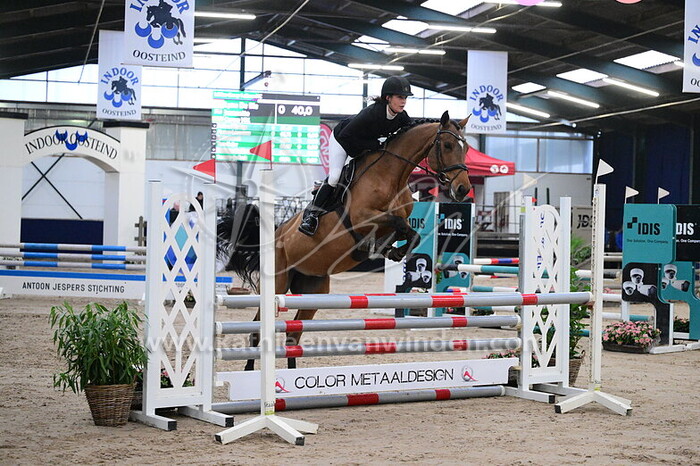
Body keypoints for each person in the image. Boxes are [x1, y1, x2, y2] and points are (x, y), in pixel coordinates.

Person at [298, 76, 413, 236]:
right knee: (335, 176)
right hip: (342, 141)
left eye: (405, 98)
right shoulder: (371, 113)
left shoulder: (401, 116)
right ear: (388, 97)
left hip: (364, 146)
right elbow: (346, 136)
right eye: (400, 97)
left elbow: (413, 129)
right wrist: (375, 144)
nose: (403, 101)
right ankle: (312, 215)